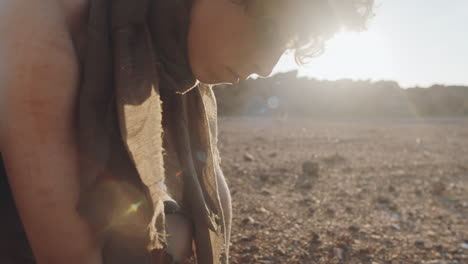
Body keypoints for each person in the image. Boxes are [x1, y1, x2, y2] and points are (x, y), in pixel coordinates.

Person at [0, 0, 374, 263]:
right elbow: (66, 256)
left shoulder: (174, 66)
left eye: (287, 43)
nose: (266, 65)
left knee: (175, 226)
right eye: (269, 27)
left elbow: (212, 197)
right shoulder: (38, 22)